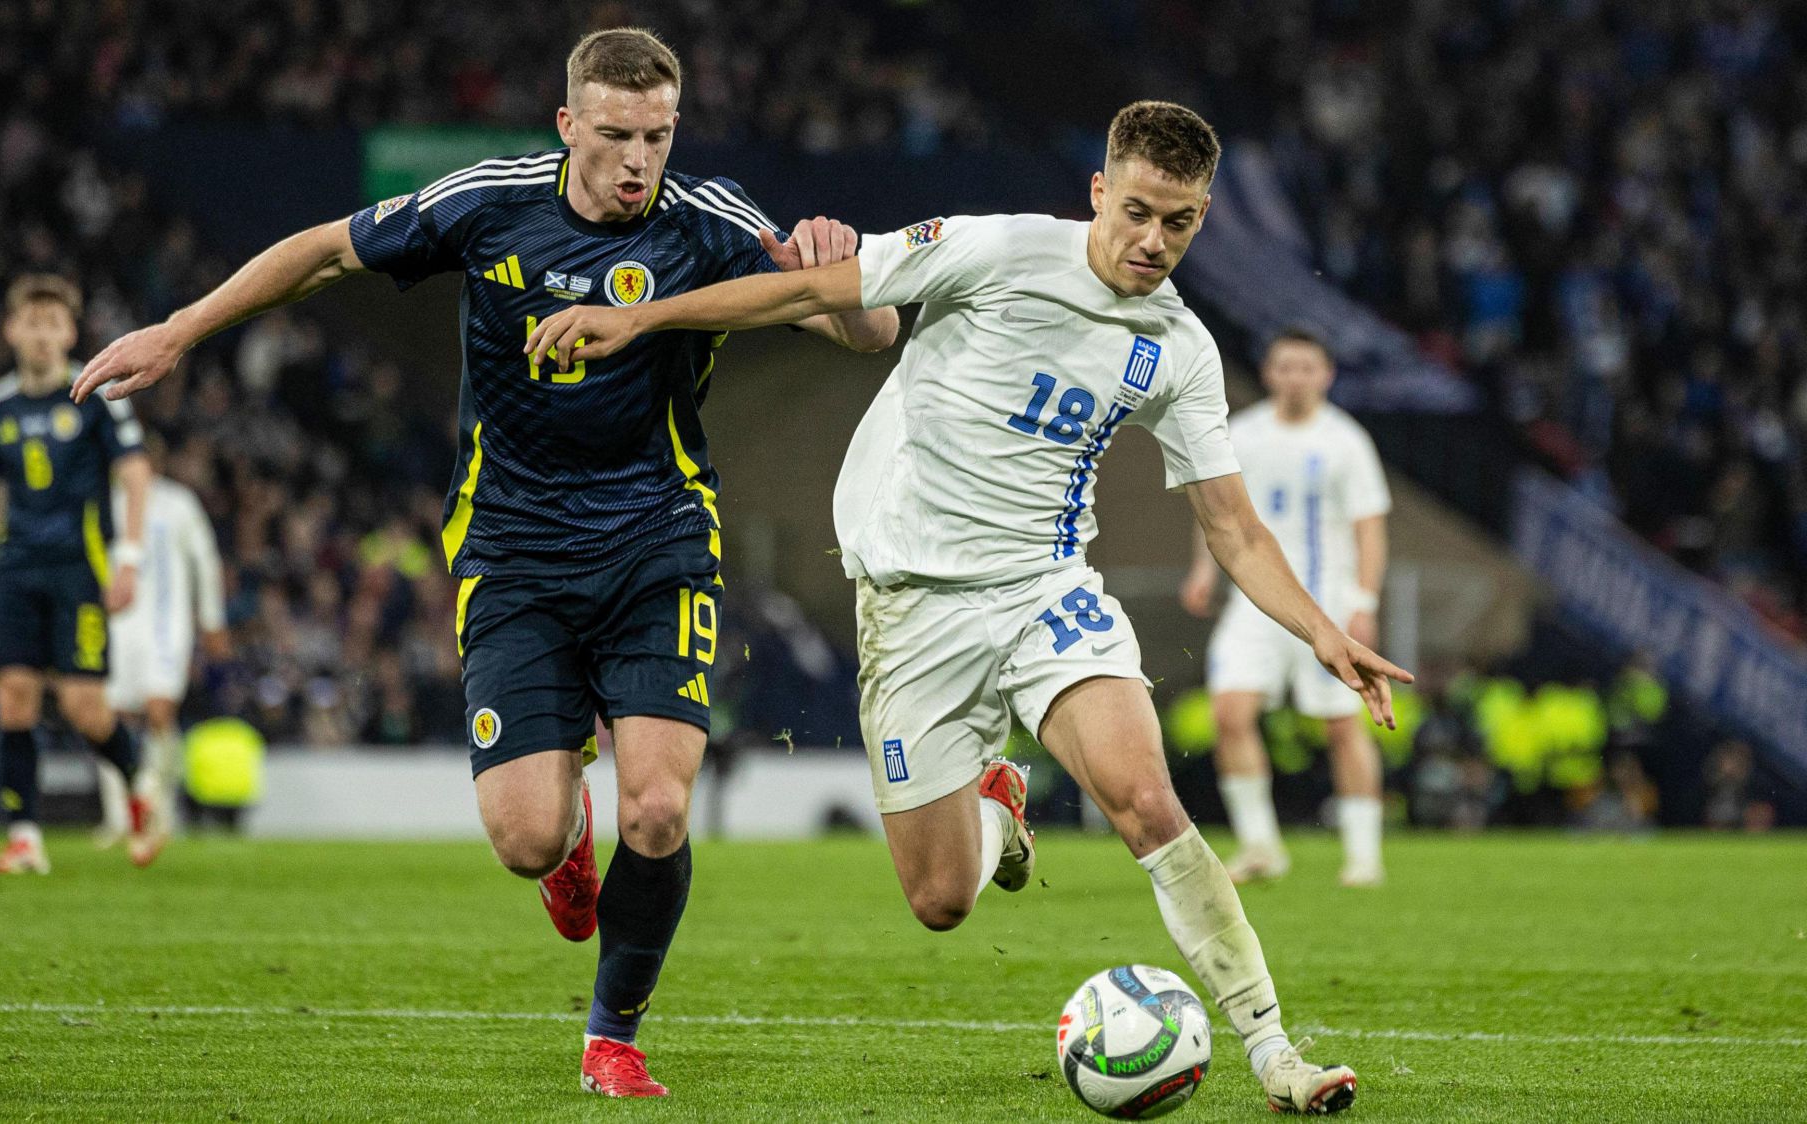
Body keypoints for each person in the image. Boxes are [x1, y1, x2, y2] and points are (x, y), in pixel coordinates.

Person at [526, 99, 1412, 1115]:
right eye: (1135, 211)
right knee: (940, 899)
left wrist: (1324, 632)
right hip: (912, 608)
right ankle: (999, 804)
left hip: (1046, 589)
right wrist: (637, 319)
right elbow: (809, 288)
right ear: (1098, 192)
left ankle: (1275, 1052)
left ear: (1202, 216)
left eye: (1179, 222)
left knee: (1146, 801)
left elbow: (1234, 528)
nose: (1152, 240)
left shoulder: (1179, 348)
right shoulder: (995, 252)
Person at [70, 27, 898, 1098]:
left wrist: (838, 271)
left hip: (656, 540)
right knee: (524, 838)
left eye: (656, 136)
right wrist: (182, 330)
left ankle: (613, 1034)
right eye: (615, 135)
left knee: (657, 807)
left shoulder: (710, 220)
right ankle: (566, 843)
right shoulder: (490, 201)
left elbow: (870, 331)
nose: (638, 159)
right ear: (567, 125)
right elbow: (324, 252)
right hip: (511, 550)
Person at [0, 274, 165, 874]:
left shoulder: (95, 395)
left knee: (82, 706)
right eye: (31, 322)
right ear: (10, 330)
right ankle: (25, 839)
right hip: (16, 568)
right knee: (12, 698)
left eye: (53, 323)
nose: (41, 334)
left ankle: (139, 780)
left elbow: (136, 474)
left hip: (78, 568)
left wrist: (128, 561)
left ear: (70, 333)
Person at [1178, 329, 1392, 887]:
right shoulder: (1241, 434)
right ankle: (1260, 847)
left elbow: (1369, 528)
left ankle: (1363, 855)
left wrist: (1364, 600)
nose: (1295, 377)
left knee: (1342, 726)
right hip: (1255, 603)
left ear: (1326, 375)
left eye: (1306, 367)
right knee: (1229, 714)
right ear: (1268, 373)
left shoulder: (1347, 441)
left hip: (1327, 605)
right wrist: (1203, 571)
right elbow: (1217, 512)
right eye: (1285, 366)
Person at [94, 441, 229, 845]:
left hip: (167, 624)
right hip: (118, 624)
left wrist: (212, 619)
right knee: (110, 716)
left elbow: (205, 560)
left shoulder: (178, 503)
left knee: (159, 710)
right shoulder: (104, 503)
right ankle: (118, 816)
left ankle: (160, 806)